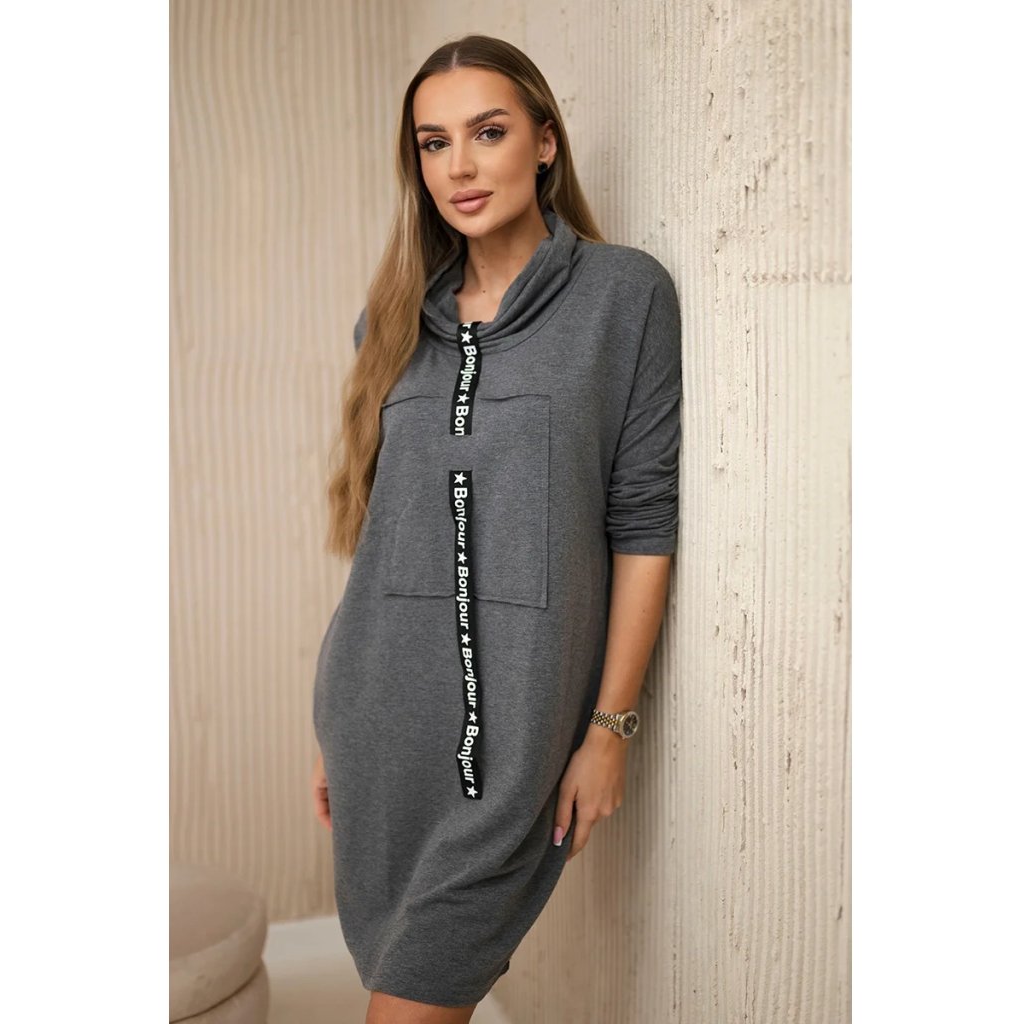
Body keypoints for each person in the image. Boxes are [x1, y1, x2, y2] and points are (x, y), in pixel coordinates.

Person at [310, 33, 681, 1024]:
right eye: (434, 143)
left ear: (545, 142)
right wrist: (334, 729)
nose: (459, 167)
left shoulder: (624, 297)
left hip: (520, 741)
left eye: (488, 132)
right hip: (381, 719)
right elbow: (383, 540)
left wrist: (610, 730)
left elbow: (643, 521)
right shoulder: (391, 321)